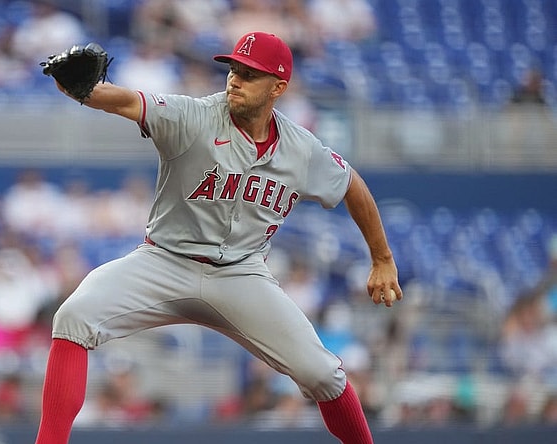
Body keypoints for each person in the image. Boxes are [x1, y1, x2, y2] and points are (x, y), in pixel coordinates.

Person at [35, 31, 403, 444]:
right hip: (163, 262)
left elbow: (353, 185)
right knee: (74, 316)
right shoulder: (191, 116)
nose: (235, 80)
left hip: (241, 275)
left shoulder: (302, 150)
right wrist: (82, 90)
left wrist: (382, 257)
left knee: (323, 373)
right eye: (233, 70)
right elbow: (126, 101)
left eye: (250, 74)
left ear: (278, 87)